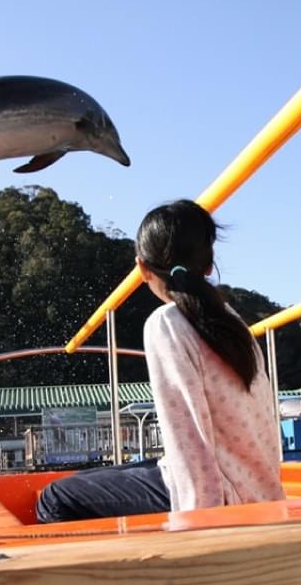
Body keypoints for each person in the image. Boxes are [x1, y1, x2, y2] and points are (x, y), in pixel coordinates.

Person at [37, 200, 285, 522]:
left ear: (142, 268)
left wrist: (199, 522)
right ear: (209, 265)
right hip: (258, 488)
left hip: (220, 495)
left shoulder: (167, 323)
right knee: (88, 479)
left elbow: (186, 430)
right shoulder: (233, 322)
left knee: (55, 498)